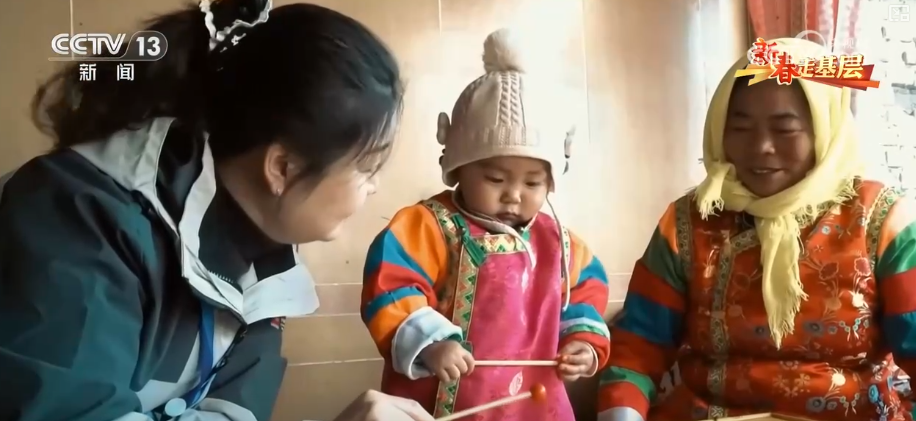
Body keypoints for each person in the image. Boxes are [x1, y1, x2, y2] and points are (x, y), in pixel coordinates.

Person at [0, 1, 435, 420]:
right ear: (282, 167)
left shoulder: (268, 265)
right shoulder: (77, 215)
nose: (375, 186)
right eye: (366, 168)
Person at [596, 37, 916, 421]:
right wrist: (621, 413)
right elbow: (639, 345)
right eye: (741, 127)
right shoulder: (691, 219)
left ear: (824, 129)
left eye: (785, 129)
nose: (761, 146)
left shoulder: (882, 221)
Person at [360, 28, 611, 421]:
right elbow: (391, 286)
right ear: (459, 168)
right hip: (443, 401)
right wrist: (431, 344)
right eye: (496, 178)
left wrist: (582, 342)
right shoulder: (427, 227)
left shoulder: (560, 244)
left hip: (534, 404)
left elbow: (584, 292)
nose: (514, 194)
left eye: (533, 183)